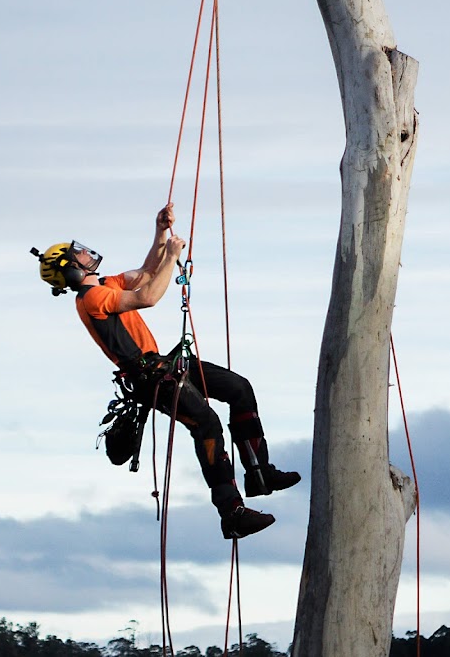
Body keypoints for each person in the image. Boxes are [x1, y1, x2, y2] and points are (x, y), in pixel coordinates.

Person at [34, 203, 300, 539]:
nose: (86, 255)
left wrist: (161, 234)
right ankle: (231, 513)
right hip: (151, 378)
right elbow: (147, 296)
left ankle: (259, 473)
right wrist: (173, 256)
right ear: (71, 269)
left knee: (239, 389)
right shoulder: (93, 299)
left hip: (165, 366)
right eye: (79, 256)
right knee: (206, 423)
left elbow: (146, 272)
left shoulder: (104, 285)